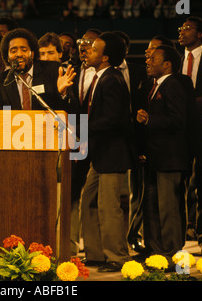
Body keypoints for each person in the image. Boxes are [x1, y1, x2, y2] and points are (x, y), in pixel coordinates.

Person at [80, 31, 135, 272]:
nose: (88, 52)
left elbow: (113, 119)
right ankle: (95, 254)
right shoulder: (100, 77)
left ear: (104, 57)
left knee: (108, 207)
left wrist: (80, 129)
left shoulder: (112, 79)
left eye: (93, 49)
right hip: (100, 153)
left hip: (112, 153)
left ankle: (117, 257)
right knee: (89, 201)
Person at [136, 45, 190, 264]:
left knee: (168, 210)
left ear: (167, 64)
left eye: (154, 59)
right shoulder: (155, 86)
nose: (148, 61)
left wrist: (150, 120)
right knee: (153, 208)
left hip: (170, 159)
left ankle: (175, 259)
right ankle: (157, 256)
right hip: (155, 159)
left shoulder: (173, 85)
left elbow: (179, 120)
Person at [0, 28, 76, 111]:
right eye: (13, 51)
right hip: (16, 136)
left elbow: (70, 111)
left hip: (47, 134)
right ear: (7, 57)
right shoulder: (2, 79)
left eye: (23, 49)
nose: (19, 54)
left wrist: (63, 94)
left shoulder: (52, 70)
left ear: (32, 54)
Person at [178, 16, 202, 256]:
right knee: (177, 185)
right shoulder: (173, 58)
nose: (181, 31)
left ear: (200, 34)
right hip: (178, 130)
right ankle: (177, 236)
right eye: (180, 28)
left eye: (187, 28)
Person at [113, 30, 148, 254]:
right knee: (110, 192)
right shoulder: (96, 73)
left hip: (137, 136)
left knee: (139, 189)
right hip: (111, 137)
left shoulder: (139, 71)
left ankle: (134, 235)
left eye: (123, 47)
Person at [69, 29, 100, 256]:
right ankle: (70, 245)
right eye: (81, 42)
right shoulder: (70, 70)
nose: (83, 46)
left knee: (94, 195)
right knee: (73, 191)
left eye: (89, 43)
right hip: (74, 136)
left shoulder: (105, 74)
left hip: (97, 138)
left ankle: (94, 249)